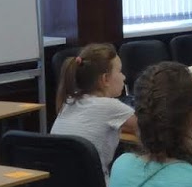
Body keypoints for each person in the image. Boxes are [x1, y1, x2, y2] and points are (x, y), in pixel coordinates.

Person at [51, 43, 136, 177]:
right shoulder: (110, 106)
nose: (124, 77)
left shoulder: (69, 101)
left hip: (61, 185)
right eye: (120, 71)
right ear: (105, 79)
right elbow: (147, 127)